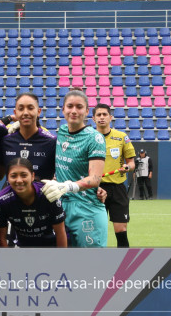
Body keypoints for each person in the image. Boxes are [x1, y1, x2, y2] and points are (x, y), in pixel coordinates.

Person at [41, 89, 107, 248]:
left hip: (86, 208)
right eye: (70, 106)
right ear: (63, 109)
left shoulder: (95, 137)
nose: (74, 111)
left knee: (90, 267)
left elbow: (95, 179)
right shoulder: (62, 131)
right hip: (60, 207)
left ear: (87, 111)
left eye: (79, 107)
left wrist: (68, 186)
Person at [0, 158, 67, 248]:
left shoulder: (49, 194)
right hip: (21, 248)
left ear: (32, 176)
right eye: (13, 176)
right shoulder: (1, 200)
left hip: (50, 246)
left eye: (24, 175)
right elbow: (1, 238)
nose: (19, 180)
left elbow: (60, 233)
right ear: (8, 178)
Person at [93, 103, 136, 248]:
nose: (102, 117)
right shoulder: (88, 137)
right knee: (95, 231)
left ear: (110, 117)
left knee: (121, 230)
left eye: (105, 114)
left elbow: (131, 163)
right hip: (96, 189)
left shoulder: (121, 137)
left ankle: (123, 267)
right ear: (93, 118)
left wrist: (127, 167)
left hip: (118, 188)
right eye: (98, 115)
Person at [1, 92, 56, 180]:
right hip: (12, 193)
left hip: (41, 193)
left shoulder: (52, 142)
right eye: (21, 108)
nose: (25, 112)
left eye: (30, 108)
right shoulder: (5, 141)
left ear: (39, 111)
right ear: (15, 112)